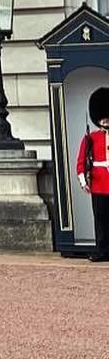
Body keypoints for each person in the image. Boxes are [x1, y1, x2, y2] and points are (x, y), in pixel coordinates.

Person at [75, 86, 109, 262]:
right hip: (99, 183)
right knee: (101, 219)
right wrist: (83, 180)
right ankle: (103, 250)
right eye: (102, 117)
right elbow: (81, 160)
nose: (105, 119)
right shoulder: (91, 137)